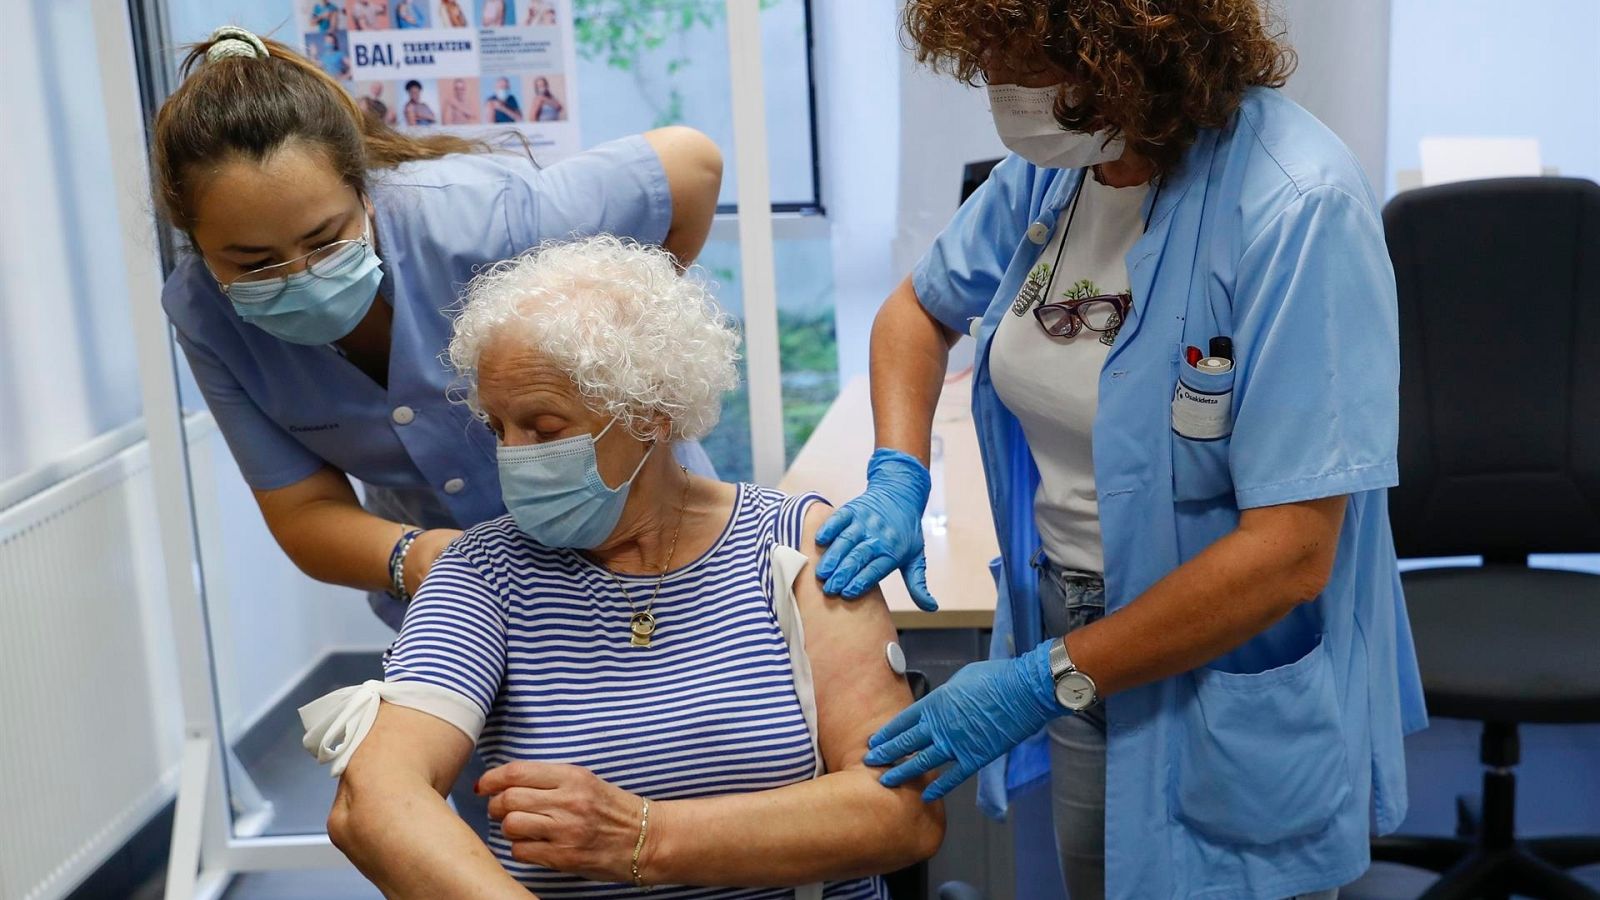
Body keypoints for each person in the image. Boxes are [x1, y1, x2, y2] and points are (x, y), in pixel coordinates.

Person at [819, 2, 1427, 899]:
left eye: (1027, 62)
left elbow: (1292, 552)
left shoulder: (1298, 205)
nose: (1004, 92)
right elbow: (916, 313)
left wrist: (1045, 681)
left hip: (1218, 655)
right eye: (988, 59)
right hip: (1070, 632)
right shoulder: (1059, 174)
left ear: (1129, 53)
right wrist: (897, 472)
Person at [302, 236, 945, 898]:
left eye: (545, 428)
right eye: (498, 428)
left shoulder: (794, 548)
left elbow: (901, 812)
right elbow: (375, 801)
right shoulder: (483, 575)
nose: (513, 456)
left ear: (652, 415)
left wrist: (645, 836)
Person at [151, 27, 724, 633]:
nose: (300, 275)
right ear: (199, 248)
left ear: (364, 195)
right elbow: (303, 510)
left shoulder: (480, 221)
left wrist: (624, 343)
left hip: (653, 558)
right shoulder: (203, 314)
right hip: (460, 603)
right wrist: (424, 560)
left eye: (324, 241)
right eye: (254, 263)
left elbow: (691, 164)